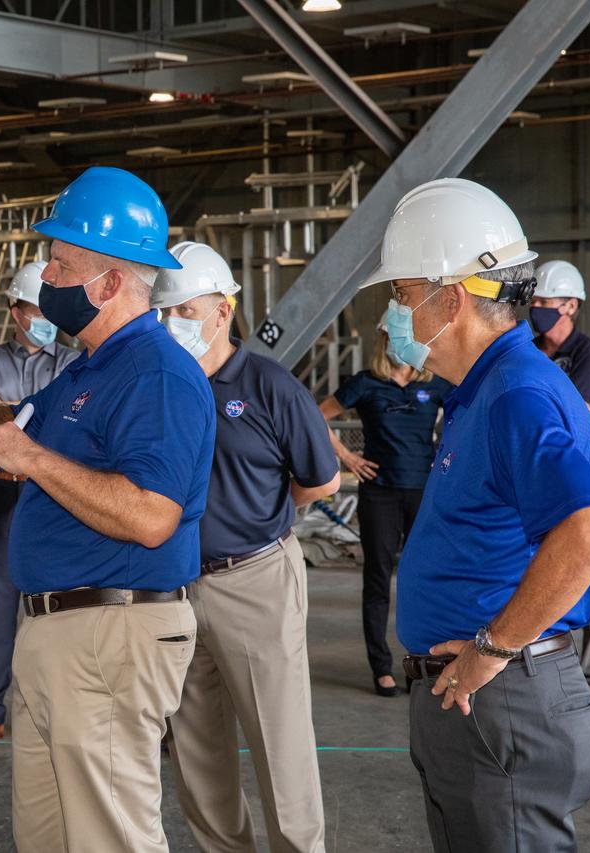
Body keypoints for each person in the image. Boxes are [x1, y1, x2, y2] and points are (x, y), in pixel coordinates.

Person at [0, 166, 214, 853]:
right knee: (48, 835)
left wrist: (34, 460)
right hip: (61, 631)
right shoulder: (87, 367)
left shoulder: (157, 374)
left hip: (112, 632)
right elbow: (21, 434)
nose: (46, 276)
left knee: (111, 836)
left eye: (60, 262)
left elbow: (150, 515)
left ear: (110, 282)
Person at [361, 177, 590, 852]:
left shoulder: (516, 393)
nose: (394, 313)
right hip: (485, 701)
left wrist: (491, 649)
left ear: (451, 298)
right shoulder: (483, 391)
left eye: (402, 294)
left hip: (504, 698)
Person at [155, 241, 340, 853]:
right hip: (177, 586)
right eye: (162, 311)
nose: (170, 321)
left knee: (279, 743)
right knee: (197, 749)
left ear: (222, 311)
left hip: (254, 579)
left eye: (184, 309)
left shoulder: (268, 385)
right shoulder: (162, 385)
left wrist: (262, 514)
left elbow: (322, 479)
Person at [0, 260, 79, 747]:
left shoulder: (72, 363)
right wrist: (15, 413)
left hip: (56, 492)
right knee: (1, 604)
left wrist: (5, 410)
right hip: (2, 491)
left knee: (68, 603)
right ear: (15, 312)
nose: (46, 318)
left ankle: (63, 707)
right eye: (35, 309)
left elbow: (56, 424)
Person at [318, 328, 453, 696]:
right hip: (379, 494)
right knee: (378, 579)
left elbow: (464, 416)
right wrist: (347, 457)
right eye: (394, 335)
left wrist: (446, 457)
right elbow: (317, 415)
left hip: (422, 494)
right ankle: (381, 667)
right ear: (383, 340)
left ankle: (419, 661)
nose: (400, 342)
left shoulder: (436, 384)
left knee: (421, 579)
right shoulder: (366, 383)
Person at [532, 259, 590, 708]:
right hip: (538, 472)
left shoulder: (588, 356)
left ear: (571, 305)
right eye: (536, 302)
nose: (538, 309)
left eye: (547, 303)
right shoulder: (531, 349)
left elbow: (571, 414)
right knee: (544, 568)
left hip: (584, 473)